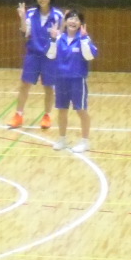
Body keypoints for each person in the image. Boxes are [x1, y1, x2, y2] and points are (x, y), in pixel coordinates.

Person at [8, 0, 64, 129]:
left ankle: (47, 116)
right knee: (24, 85)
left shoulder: (58, 15)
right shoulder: (31, 13)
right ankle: (18, 115)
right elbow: (25, 32)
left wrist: (56, 37)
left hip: (50, 57)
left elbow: (62, 37)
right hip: (33, 54)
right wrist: (22, 17)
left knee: (49, 87)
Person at [47, 8, 98, 152]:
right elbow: (50, 55)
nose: (73, 21)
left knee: (81, 110)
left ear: (81, 23)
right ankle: (62, 139)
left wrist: (84, 40)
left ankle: (85, 141)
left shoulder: (84, 39)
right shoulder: (58, 38)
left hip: (77, 80)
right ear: (65, 22)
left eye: (76, 19)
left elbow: (89, 56)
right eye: (70, 18)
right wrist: (52, 39)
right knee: (62, 110)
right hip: (61, 80)